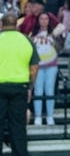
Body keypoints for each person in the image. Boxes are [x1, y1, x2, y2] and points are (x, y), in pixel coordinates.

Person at [0, 12, 39, 156]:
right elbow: (34, 68)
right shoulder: (26, 40)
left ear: (1, 24)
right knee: (18, 128)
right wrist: (30, 86)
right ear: (16, 24)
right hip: (20, 88)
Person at [31, 12, 62, 125]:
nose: (44, 21)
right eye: (41, 19)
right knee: (38, 91)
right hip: (38, 66)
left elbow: (60, 49)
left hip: (51, 66)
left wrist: (54, 40)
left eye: (46, 19)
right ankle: (38, 116)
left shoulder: (54, 34)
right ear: (38, 21)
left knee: (50, 91)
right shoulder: (33, 35)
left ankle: (50, 115)